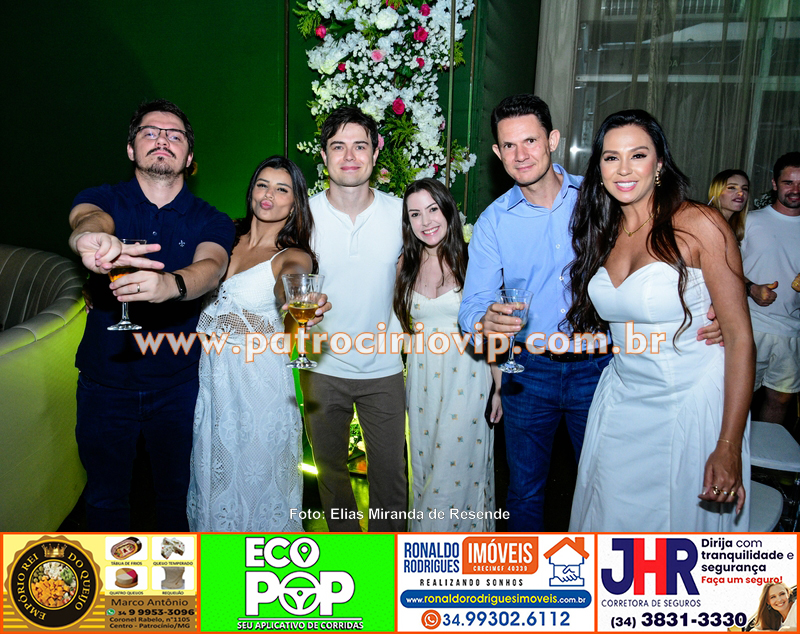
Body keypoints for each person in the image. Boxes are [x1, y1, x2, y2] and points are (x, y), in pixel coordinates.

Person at [458, 94, 722, 531]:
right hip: (529, 371)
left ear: (553, 140)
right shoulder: (493, 221)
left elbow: (673, 245)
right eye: (509, 145)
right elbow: (472, 304)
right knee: (524, 490)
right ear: (497, 153)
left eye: (530, 141)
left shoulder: (603, 196)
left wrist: (711, 301)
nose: (521, 155)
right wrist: (482, 321)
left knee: (606, 486)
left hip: (603, 368)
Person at [566, 109, 753, 531]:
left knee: (676, 540)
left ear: (660, 164)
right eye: (611, 157)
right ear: (599, 168)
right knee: (611, 524)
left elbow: (740, 337)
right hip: (621, 400)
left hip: (688, 404)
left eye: (638, 155)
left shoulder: (699, 224)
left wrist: (728, 444)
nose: (624, 169)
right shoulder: (603, 229)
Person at [68, 99, 236, 531]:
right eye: (150, 132)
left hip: (179, 387)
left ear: (189, 156)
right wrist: (91, 239)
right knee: (104, 499)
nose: (162, 139)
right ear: (131, 149)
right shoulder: (104, 198)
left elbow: (212, 266)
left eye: (174, 135)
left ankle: (172, 577)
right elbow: (88, 219)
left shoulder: (211, 218)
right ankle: (113, 576)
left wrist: (171, 286)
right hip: (104, 384)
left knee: (175, 500)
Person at [187, 156, 329, 532]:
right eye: (263, 184)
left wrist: (297, 298)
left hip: (258, 389)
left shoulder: (292, 255)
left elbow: (291, 278)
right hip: (214, 385)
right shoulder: (224, 238)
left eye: (282, 189)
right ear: (251, 190)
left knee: (257, 482)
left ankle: (268, 563)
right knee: (213, 481)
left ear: (295, 204)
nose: (269, 194)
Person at [301, 106, 407, 531]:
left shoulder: (403, 214)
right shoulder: (302, 215)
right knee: (330, 475)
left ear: (375, 154)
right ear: (323, 156)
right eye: (338, 146)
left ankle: (387, 560)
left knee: (391, 479)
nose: (349, 156)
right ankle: (348, 554)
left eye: (360, 146)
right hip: (322, 368)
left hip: (384, 369)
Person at [394, 178, 502, 531]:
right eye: (415, 214)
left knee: (453, 473)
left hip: (467, 379)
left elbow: (493, 330)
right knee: (425, 471)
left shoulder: (474, 261)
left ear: (449, 210)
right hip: (422, 384)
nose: (426, 221)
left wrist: (499, 387)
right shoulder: (405, 265)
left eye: (433, 209)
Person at [741, 152, 800, 426]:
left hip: (792, 330)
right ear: (775, 183)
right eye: (788, 182)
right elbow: (725, 269)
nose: (795, 189)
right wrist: (751, 288)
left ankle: (767, 453)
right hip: (750, 326)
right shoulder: (749, 221)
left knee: (780, 400)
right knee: (739, 397)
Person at [708, 169, 750, 241]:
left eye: (745, 189)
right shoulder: (708, 222)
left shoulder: (738, 225)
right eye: (732, 188)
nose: (741, 193)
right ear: (716, 191)